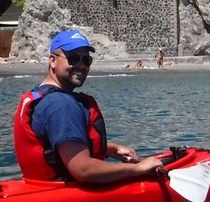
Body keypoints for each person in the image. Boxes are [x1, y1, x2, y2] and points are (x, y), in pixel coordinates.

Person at [13, 30, 168, 184]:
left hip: (41, 185)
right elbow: (83, 170)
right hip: (70, 200)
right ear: (53, 60)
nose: (81, 65)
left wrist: (109, 148)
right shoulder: (62, 105)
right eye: (73, 59)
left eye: (86, 60)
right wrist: (139, 168)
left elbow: (55, 145)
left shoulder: (43, 95)